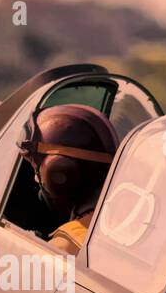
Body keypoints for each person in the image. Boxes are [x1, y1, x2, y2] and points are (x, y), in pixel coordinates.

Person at [11, 103, 118, 253]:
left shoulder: (64, 248)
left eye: (37, 169)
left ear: (59, 175)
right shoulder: (127, 221)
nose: (36, 178)